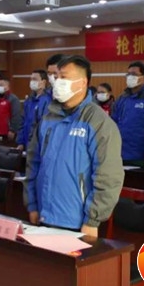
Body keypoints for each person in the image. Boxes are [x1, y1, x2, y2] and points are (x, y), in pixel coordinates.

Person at [25, 55, 123, 236]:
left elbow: (108, 176)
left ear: (82, 83)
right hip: (43, 216)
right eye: (56, 77)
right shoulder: (48, 118)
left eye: (64, 77)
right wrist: (32, 204)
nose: (57, 82)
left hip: (77, 221)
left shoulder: (99, 122)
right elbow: (33, 163)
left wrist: (92, 219)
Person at [17, 69, 51, 152]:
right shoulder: (29, 100)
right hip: (26, 144)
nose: (32, 82)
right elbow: (22, 120)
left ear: (43, 82)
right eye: (31, 79)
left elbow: (44, 126)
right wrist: (20, 141)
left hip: (38, 146)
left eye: (35, 79)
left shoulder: (47, 101)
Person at [0, 76, 22, 141]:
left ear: (8, 87)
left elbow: (16, 115)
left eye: (1, 85)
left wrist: (12, 130)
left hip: (7, 133)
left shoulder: (13, 99)